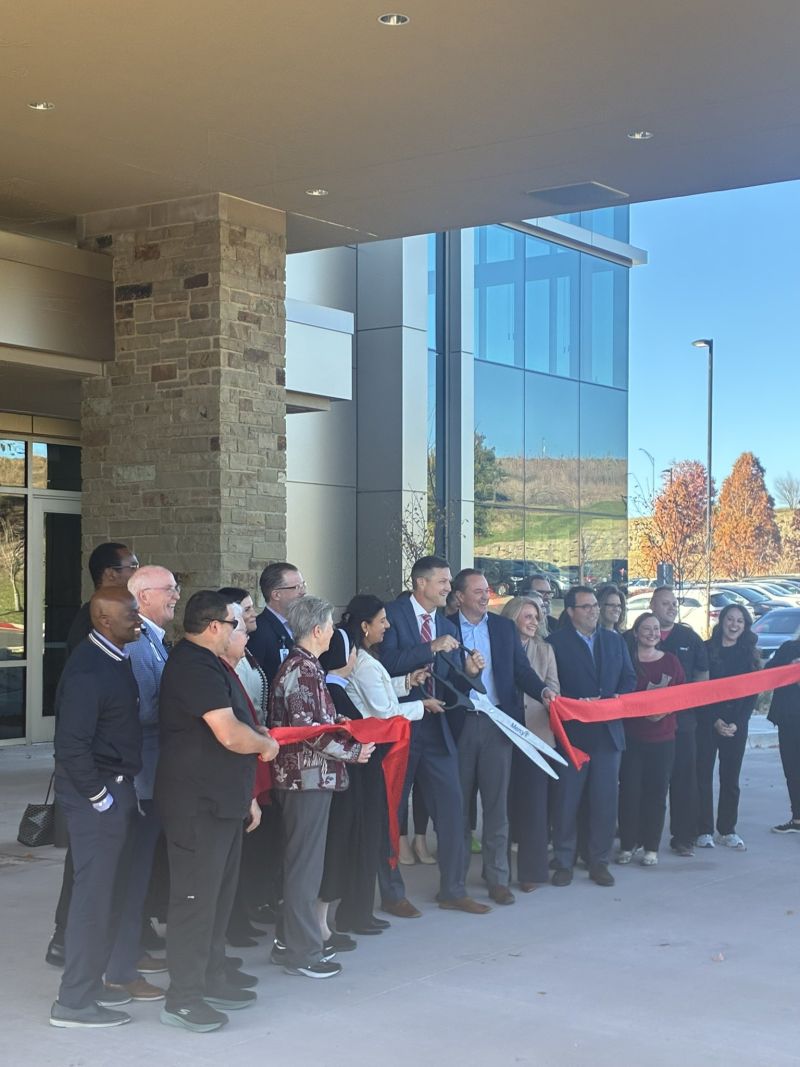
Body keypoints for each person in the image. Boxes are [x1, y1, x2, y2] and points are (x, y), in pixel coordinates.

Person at [155, 591, 278, 1033]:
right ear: (213, 627)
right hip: (196, 806)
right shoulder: (193, 666)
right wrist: (265, 745)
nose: (239, 631)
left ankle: (210, 976)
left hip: (221, 800)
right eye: (234, 624)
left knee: (218, 899)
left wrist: (245, 796)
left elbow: (231, 730)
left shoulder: (211, 664)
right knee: (195, 902)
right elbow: (228, 734)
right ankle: (183, 999)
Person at [49, 588, 143, 1029]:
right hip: (98, 798)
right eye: (131, 614)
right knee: (93, 899)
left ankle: (90, 985)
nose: (138, 620)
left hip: (116, 789)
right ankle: (74, 1002)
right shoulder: (88, 669)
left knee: (109, 896)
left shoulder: (114, 657)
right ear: (104, 620)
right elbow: (70, 746)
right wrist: (99, 798)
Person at [377, 556, 492, 918]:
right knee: (392, 813)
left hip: (436, 729)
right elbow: (384, 665)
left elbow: (448, 679)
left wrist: (469, 673)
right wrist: (430, 647)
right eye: (442, 582)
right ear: (421, 583)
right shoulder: (392, 615)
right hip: (400, 727)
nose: (448, 588)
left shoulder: (444, 624)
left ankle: (453, 890)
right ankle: (392, 894)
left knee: (453, 809)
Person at [268, 596, 374, 979]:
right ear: (317, 630)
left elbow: (315, 720)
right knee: (305, 869)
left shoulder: (305, 666)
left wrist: (340, 722)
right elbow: (308, 730)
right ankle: (303, 952)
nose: (333, 633)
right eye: (330, 627)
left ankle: (288, 942)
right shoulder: (303, 669)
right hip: (306, 780)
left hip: (308, 778)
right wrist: (354, 751)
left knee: (302, 864)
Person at [448, 569, 554, 905]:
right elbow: (439, 677)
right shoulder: (443, 628)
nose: (485, 596)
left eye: (487, 590)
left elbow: (521, 671)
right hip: (459, 725)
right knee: (458, 807)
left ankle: (497, 878)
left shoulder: (502, 628)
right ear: (459, 596)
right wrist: (465, 675)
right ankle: (454, 882)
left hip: (498, 724)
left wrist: (543, 691)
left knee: (497, 807)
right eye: (477, 591)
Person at [102, 566, 180, 1002]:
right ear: (144, 595)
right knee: (131, 876)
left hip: (151, 776)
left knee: (140, 873)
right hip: (140, 779)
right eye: (170, 589)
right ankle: (119, 969)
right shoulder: (136, 643)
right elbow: (143, 709)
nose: (176, 595)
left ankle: (129, 953)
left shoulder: (151, 638)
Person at [342, 594, 439, 921]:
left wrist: (407, 682)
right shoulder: (363, 661)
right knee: (382, 823)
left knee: (383, 822)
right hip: (377, 750)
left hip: (376, 748)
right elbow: (385, 713)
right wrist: (421, 705)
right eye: (382, 621)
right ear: (365, 626)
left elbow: (380, 694)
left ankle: (379, 898)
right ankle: (381, 898)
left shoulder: (364, 657)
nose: (387, 626)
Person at [547, 586, 637, 888]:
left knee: (604, 802)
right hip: (571, 735)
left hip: (608, 735)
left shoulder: (614, 641)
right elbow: (551, 685)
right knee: (566, 801)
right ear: (570, 611)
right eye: (585, 607)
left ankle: (599, 861)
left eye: (595, 606)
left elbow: (629, 678)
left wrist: (611, 699)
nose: (593, 611)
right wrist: (575, 704)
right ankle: (563, 861)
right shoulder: (556, 643)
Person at [218, 586, 275, 946]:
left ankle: (244, 912)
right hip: (242, 754)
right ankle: (233, 921)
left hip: (254, 747)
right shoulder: (224, 663)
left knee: (249, 846)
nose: (252, 615)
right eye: (245, 611)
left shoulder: (247, 652)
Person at [501, 596, 560, 889]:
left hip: (536, 733)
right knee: (502, 804)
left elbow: (554, 687)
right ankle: (497, 873)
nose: (534, 622)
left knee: (535, 805)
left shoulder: (545, 650)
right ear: (512, 617)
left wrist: (548, 696)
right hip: (501, 732)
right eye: (527, 616)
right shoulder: (497, 647)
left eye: (536, 617)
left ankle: (532, 873)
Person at [617, 613, 685, 867]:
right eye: (646, 629)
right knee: (629, 792)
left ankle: (651, 847)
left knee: (657, 793)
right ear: (635, 633)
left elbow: (682, 694)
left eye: (656, 629)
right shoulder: (626, 659)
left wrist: (664, 711)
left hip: (663, 738)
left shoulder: (671, 661)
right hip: (632, 738)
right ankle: (627, 844)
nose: (652, 633)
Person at [646, 586, 709, 858]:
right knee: (648, 783)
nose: (672, 608)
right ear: (652, 605)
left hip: (682, 724)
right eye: (665, 603)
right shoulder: (638, 636)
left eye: (674, 603)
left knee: (684, 782)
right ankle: (641, 838)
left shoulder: (689, 638)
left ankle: (684, 838)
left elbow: (702, 677)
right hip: (646, 727)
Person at [695, 604, 760, 851]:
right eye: (730, 619)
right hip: (708, 722)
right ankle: (703, 830)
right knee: (702, 776)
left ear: (745, 626)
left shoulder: (749, 654)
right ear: (721, 621)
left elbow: (752, 694)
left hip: (736, 724)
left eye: (739, 621)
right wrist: (715, 720)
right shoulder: (706, 649)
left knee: (730, 778)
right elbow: (699, 688)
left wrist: (737, 723)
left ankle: (727, 830)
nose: (734, 625)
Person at [248, 562, 306, 683]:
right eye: (296, 587)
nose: (303, 592)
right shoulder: (259, 630)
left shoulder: (302, 624)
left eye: (303, 585)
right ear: (276, 595)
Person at [767, 637, 800, 833]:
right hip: (788, 719)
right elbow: (768, 673)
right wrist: (789, 667)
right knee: (792, 770)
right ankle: (797, 819)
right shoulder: (789, 647)